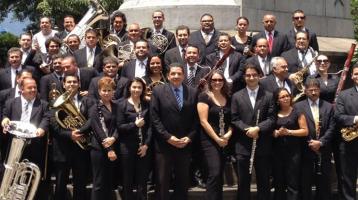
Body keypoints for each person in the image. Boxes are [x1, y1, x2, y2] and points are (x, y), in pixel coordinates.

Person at [150, 63, 199, 200]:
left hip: (184, 144)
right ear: (168, 76)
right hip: (164, 144)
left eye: (179, 73)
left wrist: (189, 137)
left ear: (184, 75)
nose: (176, 76)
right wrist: (168, 137)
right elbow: (154, 118)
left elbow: (196, 118)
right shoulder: (158, 91)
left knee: (183, 181)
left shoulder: (193, 92)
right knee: (162, 181)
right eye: (173, 74)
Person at [231, 64, 276, 200]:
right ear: (244, 77)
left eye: (254, 75)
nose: (251, 77)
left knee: (264, 181)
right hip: (243, 145)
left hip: (262, 144)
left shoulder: (268, 96)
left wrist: (258, 128)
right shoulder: (236, 96)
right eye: (248, 75)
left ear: (259, 76)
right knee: (243, 182)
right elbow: (234, 119)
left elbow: (272, 118)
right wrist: (248, 130)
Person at [1, 77, 50, 200]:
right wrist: (4, 120)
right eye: (30, 88)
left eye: (35, 87)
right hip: (14, 145)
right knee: (11, 175)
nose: (33, 90)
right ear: (21, 89)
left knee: (31, 179)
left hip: (34, 145)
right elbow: (5, 115)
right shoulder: (11, 102)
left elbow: (46, 118)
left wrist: (42, 128)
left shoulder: (43, 104)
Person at [51, 74, 95, 200]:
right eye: (68, 82)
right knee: (60, 185)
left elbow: (92, 119)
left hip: (81, 148)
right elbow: (53, 125)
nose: (71, 84)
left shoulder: (88, 100)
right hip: (62, 149)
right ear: (63, 84)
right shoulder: (55, 102)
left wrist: (80, 131)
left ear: (79, 84)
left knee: (80, 184)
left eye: (74, 82)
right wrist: (70, 135)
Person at [294, 77, 335, 200]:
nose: (313, 92)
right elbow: (297, 127)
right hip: (305, 150)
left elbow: (332, 127)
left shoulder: (329, 106)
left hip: (324, 150)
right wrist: (311, 143)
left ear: (320, 90)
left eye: (316, 90)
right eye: (310, 90)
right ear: (305, 91)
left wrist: (321, 142)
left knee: (324, 185)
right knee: (305, 184)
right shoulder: (298, 106)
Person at [197, 70, 232, 200]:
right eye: (214, 80)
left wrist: (228, 134)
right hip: (209, 140)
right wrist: (217, 139)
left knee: (219, 174)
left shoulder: (228, 97)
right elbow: (203, 121)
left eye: (220, 80)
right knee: (215, 173)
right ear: (209, 82)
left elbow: (232, 120)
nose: (217, 82)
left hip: (224, 140)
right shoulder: (204, 96)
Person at [116, 77, 151, 200]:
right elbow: (120, 127)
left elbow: (150, 127)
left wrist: (146, 145)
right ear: (129, 88)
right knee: (127, 179)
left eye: (139, 87)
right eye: (134, 87)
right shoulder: (121, 105)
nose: (136, 89)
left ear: (143, 89)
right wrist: (134, 125)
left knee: (142, 179)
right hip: (127, 148)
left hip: (143, 148)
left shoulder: (147, 104)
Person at [272, 88, 308, 200]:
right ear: (277, 100)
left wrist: (289, 132)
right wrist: (276, 133)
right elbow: (269, 130)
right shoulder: (273, 113)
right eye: (282, 97)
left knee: (293, 183)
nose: (286, 98)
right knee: (278, 183)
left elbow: (305, 131)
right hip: (277, 152)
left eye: (287, 95)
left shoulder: (297, 111)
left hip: (293, 153)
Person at [89, 77, 118, 200]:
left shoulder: (117, 106)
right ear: (99, 91)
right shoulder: (94, 108)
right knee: (99, 183)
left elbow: (119, 125)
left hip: (113, 146)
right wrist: (109, 149)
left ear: (113, 91)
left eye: (109, 90)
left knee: (109, 182)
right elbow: (98, 131)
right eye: (104, 90)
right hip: (99, 150)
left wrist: (114, 138)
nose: (106, 93)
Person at [334, 64, 358, 200]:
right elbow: (338, 116)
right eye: (356, 73)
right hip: (351, 142)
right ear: (352, 76)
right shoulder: (343, 95)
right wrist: (355, 118)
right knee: (348, 176)